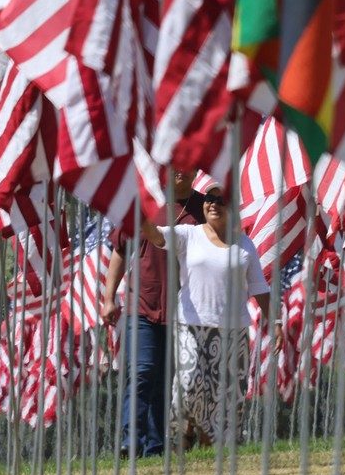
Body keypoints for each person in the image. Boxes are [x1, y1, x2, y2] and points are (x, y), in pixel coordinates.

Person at [140, 186, 272, 448]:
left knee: (225, 396)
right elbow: (156, 236)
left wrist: (274, 322)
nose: (214, 204)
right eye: (210, 199)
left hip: (233, 331)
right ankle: (186, 430)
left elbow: (259, 287)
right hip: (191, 326)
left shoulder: (245, 245)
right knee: (188, 385)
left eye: (222, 200)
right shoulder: (188, 235)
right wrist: (139, 211)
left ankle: (209, 446)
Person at [101, 170, 205, 457]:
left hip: (185, 310)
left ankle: (155, 445)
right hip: (142, 304)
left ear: (197, 169)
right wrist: (109, 298)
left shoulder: (206, 208)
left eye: (188, 164)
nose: (180, 171)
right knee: (143, 370)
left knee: (165, 378)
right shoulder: (146, 202)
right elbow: (120, 250)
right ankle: (130, 439)